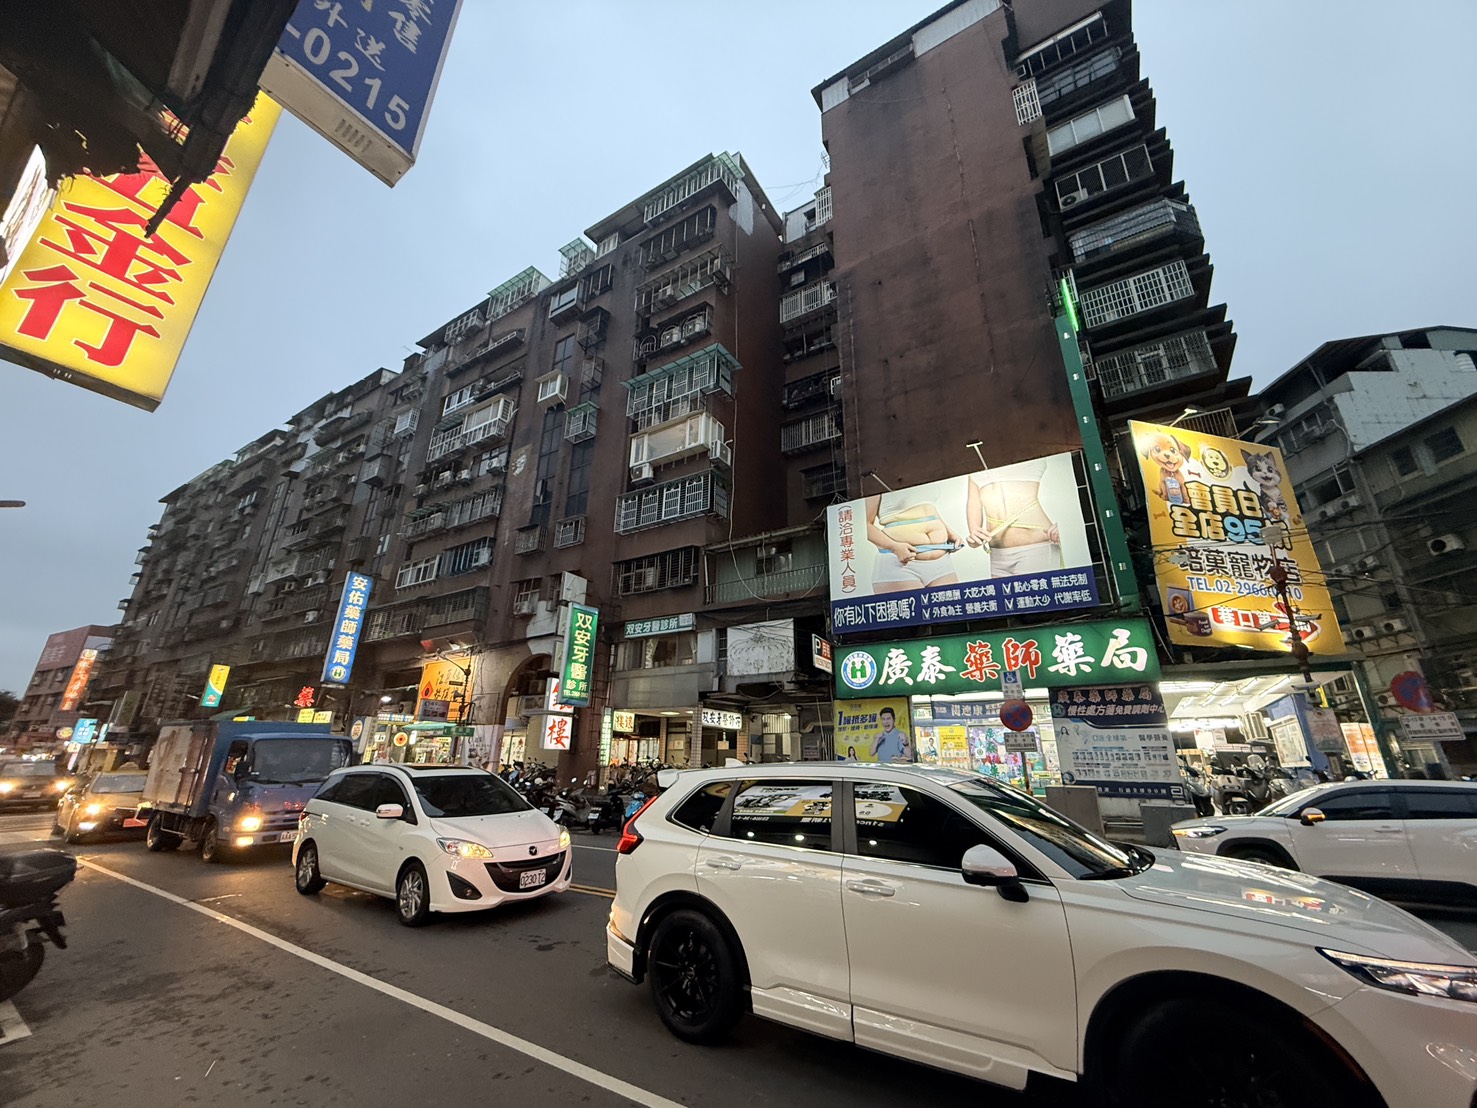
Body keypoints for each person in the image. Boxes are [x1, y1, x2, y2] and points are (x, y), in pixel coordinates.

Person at [965, 460, 1065, 577]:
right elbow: (974, 500)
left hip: (1035, 547)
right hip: (997, 555)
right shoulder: (974, 455)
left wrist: (1065, 525)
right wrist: (975, 533)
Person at [864, 488, 965, 594]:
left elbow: (929, 509)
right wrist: (894, 547)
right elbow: (865, 526)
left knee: (951, 604)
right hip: (900, 565)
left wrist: (950, 532)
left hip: (942, 563)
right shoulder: (874, 482)